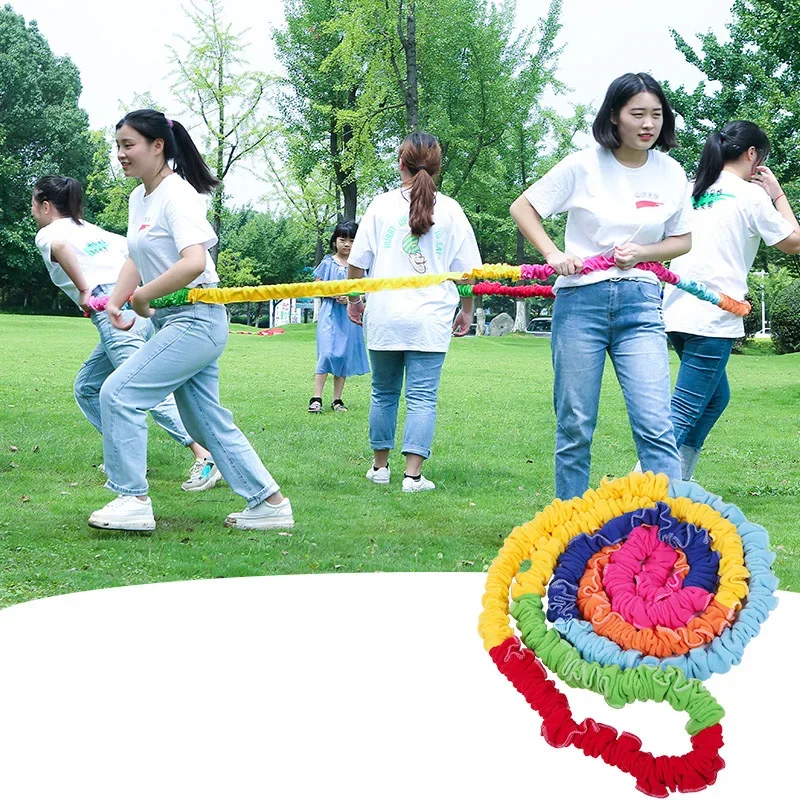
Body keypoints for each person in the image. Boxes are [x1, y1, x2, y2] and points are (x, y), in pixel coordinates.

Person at [87, 109, 292, 532]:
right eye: (119, 146)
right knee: (205, 419)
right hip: (176, 321)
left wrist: (145, 295)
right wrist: (118, 300)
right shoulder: (140, 197)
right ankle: (269, 502)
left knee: (118, 393)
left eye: (129, 145)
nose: (121, 154)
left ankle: (132, 499)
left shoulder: (177, 195)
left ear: (157, 146)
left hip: (196, 320)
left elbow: (194, 262)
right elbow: (135, 255)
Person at [510, 72, 692, 500]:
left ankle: (671, 534)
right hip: (581, 304)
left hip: (641, 305)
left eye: (657, 115)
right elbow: (524, 207)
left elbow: (683, 240)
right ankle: (569, 529)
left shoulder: (671, 172)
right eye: (638, 114)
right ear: (615, 116)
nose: (648, 125)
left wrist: (644, 252)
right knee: (575, 422)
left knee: (655, 422)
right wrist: (553, 254)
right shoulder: (583, 164)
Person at [32, 176, 220, 492]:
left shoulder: (49, 232)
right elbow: (134, 255)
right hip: (133, 298)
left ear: (46, 206)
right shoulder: (95, 231)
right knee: (88, 387)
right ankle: (125, 454)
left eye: (34, 204)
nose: (33, 211)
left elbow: (61, 248)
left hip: (112, 306)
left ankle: (205, 456)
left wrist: (84, 289)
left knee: (137, 386)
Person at [662, 121, 800, 479]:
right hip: (713, 314)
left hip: (676, 310)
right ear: (752, 155)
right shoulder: (751, 196)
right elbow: (794, 241)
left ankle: (678, 480)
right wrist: (778, 194)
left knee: (715, 397)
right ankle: (640, 491)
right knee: (685, 408)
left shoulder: (694, 190)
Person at [347, 131, 477, 493]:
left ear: (400, 164)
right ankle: (413, 477)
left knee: (382, 393)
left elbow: (357, 264)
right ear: (437, 168)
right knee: (422, 396)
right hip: (430, 317)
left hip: (385, 315)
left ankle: (380, 467)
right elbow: (467, 273)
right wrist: (466, 310)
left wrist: (355, 301)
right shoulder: (451, 210)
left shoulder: (380, 206)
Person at [309, 220, 369, 413]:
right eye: (342, 239)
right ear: (335, 241)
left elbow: (366, 289)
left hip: (349, 317)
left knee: (342, 355)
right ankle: (316, 397)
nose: (347, 244)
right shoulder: (328, 262)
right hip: (329, 314)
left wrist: (353, 298)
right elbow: (317, 287)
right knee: (326, 353)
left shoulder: (359, 266)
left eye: (352, 240)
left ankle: (337, 399)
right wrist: (333, 293)